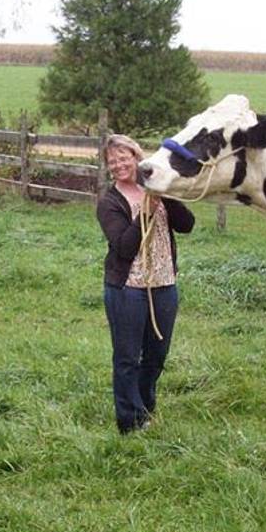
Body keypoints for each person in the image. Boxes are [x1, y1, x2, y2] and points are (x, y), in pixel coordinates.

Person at [96, 134, 194, 434]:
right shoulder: (109, 203)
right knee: (127, 358)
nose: (118, 164)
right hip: (127, 289)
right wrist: (144, 214)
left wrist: (164, 195)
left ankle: (146, 406)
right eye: (112, 161)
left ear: (137, 158)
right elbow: (124, 248)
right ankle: (130, 421)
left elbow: (186, 225)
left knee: (156, 355)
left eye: (124, 158)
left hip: (164, 283)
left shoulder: (155, 188)